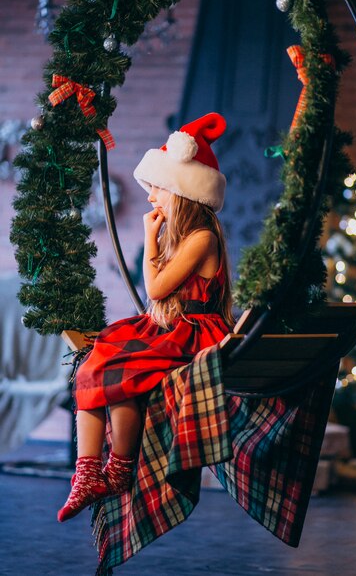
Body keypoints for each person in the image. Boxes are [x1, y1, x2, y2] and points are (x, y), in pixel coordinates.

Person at [58, 112, 234, 522]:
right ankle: (86, 473)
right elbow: (157, 289)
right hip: (172, 327)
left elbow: (154, 289)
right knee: (96, 360)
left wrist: (149, 238)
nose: (151, 196)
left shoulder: (202, 237)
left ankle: (118, 469)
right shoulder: (186, 237)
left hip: (194, 333)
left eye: (157, 188)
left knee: (122, 370)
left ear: (181, 192)